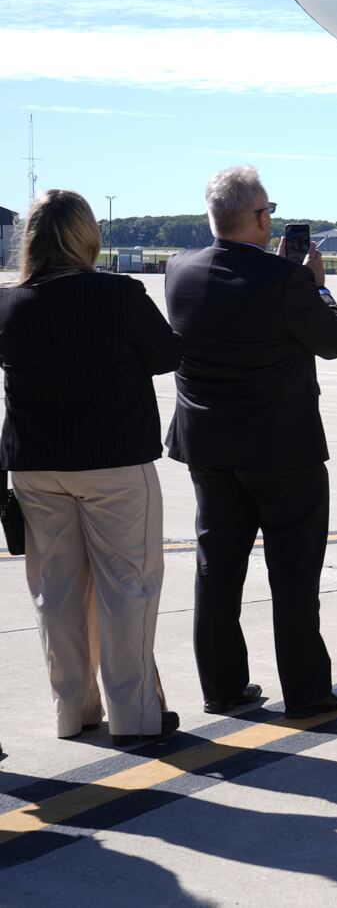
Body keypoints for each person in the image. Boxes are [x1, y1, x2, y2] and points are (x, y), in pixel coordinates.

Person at [166, 166, 337, 720]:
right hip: (281, 450)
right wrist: (318, 285)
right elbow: (335, 341)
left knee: (216, 568)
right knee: (293, 572)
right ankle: (306, 690)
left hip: (208, 447)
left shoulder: (179, 271)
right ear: (261, 218)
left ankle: (222, 687)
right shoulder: (284, 280)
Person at [0, 190, 182, 745]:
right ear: (87, 238)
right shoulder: (119, 295)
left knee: (56, 594)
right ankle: (135, 717)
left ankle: (73, 710)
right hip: (114, 463)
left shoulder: (8, 304)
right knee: (127, 590)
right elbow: (167, 356)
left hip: (35, 467)